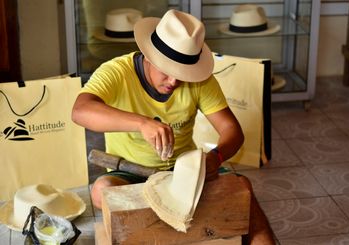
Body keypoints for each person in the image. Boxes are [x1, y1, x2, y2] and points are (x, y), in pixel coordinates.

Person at [72, 9, 275, 245]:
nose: (175, 81)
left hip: (186, 173)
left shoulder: (199, 80)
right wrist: (141, 123)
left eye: (183, 73)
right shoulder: (116, 72)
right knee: (102, 189)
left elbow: (232, 131)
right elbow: (80, 111)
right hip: (131, 174)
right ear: (148, 56)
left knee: (243, 188)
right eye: (168, 71)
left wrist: (216, 157)